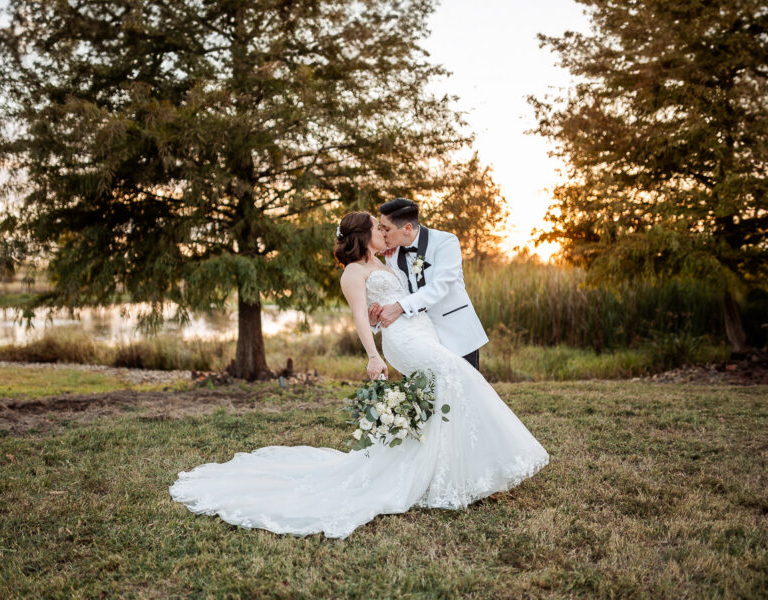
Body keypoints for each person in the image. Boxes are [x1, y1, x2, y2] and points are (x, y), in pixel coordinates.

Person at [169, 211, 549, 539]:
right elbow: (359, 318)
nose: (383, 231)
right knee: (458, 376)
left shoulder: (388, 262)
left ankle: (448, 472)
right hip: (402, 341)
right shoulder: (353, 272)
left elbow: (406, 295)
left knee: (444, 390)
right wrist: (372, 355)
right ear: (362, 234)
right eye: (376, 226)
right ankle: (470, 469)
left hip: (424, 332)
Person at [370, 198, 488, 370]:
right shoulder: (391, 254)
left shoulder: (446, 242)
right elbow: (395, 291)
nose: (383, 234)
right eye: (381, 228)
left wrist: (400, 307)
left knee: (466, 392)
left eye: (386, 229)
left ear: (407, 228)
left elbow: (440, 287)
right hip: (419, 340)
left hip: (456, 334)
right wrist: (376, 321)